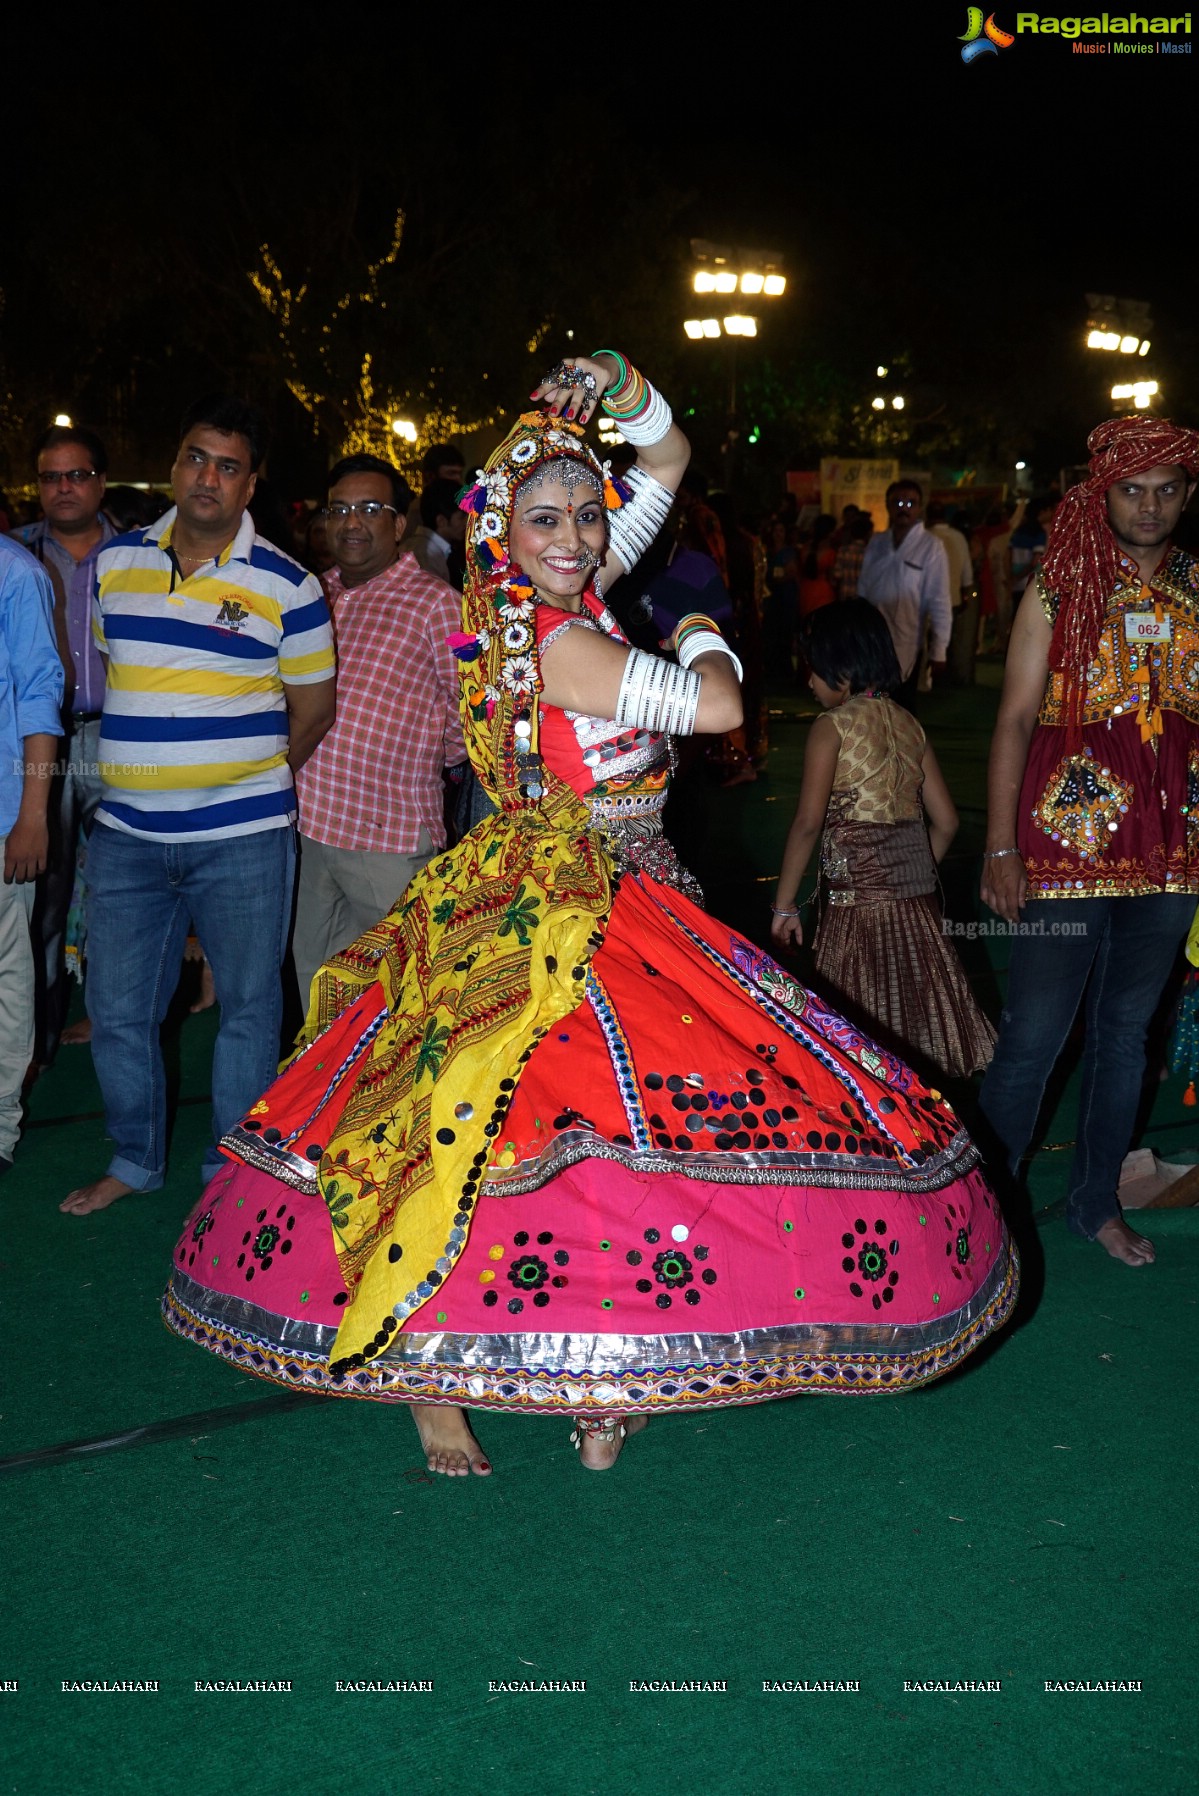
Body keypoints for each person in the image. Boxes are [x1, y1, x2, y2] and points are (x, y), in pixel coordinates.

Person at [163, 353, 1016, 1479]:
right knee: (485, 1136)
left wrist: (619, 387)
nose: (574, 535)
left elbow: (663, 459)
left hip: (631, 889)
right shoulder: (551, 638)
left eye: (584, 514)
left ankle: (602, 1369)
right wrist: (705, 621)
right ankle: (431, 1386)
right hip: (552, 910)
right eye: (546, 518)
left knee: (618, 1152)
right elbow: (713, 704)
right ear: (498, 529)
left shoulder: (552, 590)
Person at [61, 394, 336, 1217]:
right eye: (194, 457)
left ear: (250, 485)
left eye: (226, 465)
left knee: (250, 1011)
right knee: (114, 1010)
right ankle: (136, 1157)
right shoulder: (114, 567)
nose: (206, 476)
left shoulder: (290, 585)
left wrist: (240, 782)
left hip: (243, 840)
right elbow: (127, 681)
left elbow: (312, 709)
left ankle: (232, 1175)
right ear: (175, 466)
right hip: (126, 841)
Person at [978, 416, 1199, 1267]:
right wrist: (1001, 847)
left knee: (1126, 1034)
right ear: (1100, 492)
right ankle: (985, 1210)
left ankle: (1094, 1200)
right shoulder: (1059, 584)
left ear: (1187, 494)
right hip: (1062, 846)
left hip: (1172, 848)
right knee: (1033, 1034)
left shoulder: (1194, 588)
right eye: (1131, 489)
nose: (1148, 506)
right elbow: (1012, 720)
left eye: (1166, 489)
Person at [771, 601, 994, 1082]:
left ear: (841, 667)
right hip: (916, 906)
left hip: (855, 910)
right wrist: (904, 874)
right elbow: (947, 821)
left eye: (813, 668)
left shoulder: (831, 728)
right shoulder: (909, 724)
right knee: (917, 1024)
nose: (808, 682)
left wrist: (785, 905)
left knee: (855, 1036)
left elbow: (808, 823)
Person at [292, 453, 465, 1001]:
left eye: (369, 509)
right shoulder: (310, 596)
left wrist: (416, 759)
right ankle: (326, 1089)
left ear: (397, 524)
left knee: (407, 993)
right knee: (318, 987)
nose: (351, 522)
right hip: (310, 826)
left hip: (387, 835)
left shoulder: (439, 605)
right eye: (339, 509)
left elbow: (471, 709)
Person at [17, 424, 117, 1059]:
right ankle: (40, 1037)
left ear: (101, 483)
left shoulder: (139, 556)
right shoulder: (17, 556)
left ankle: (115, 1025)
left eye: (76, 475)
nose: (63, 488)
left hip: (119, 741)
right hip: (40, 746)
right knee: (41, 897)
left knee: (123, 892)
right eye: (51, 477)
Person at [0, 535, 63, 1174]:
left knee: (5, 973)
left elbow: (40, 694)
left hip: (2, 815)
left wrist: (33, 815)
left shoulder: (15, 572)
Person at [857, 480, 952, 709]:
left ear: (919, 508)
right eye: (898, 502)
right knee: (870, 704)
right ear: (888, 506)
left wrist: (939, 650)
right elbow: (863, 587)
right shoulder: (877, 543)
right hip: (873, 638)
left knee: (901, 707)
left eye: (911, 503)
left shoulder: (931, 546)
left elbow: (939, 600)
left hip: (907, 638)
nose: (904, 508)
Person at [926, 499, 977, 687]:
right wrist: (965, 593)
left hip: (928, 600)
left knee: (928, 640)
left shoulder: (924, 537)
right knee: (949, 640)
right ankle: (948, 678)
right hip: (952, 598)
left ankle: (928, 679)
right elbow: (967, 571)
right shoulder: (958, 537)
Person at [403, 476, 467, 587]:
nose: (467, 523)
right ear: (441, 521)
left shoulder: (423, 547)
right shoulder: (426, 556)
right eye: (462, 516)